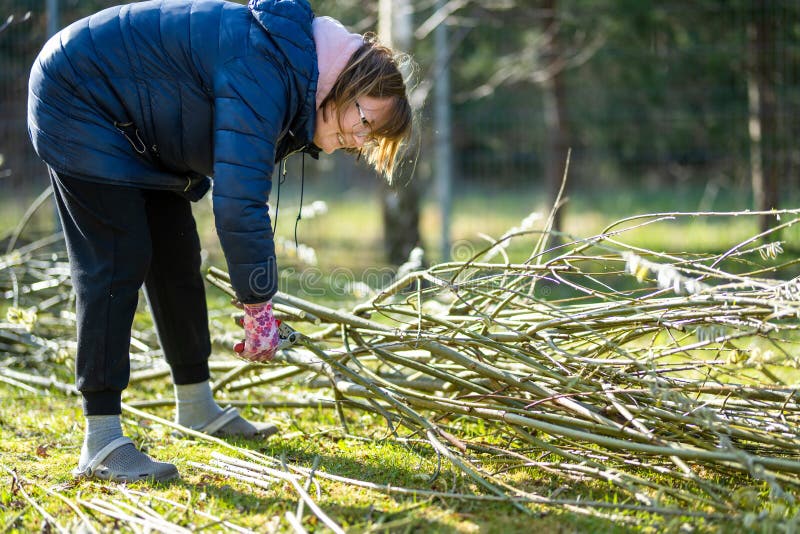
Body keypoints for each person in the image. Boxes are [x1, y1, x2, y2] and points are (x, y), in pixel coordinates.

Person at [27, 0, 413, 482]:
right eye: (365, 121)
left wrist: (258, 301)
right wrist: (259, 307)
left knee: (176, 258)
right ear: (348, 83)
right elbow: (238, 203)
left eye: (371, 138)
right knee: (116, 259)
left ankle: (196, 406)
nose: (360, 140)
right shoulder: (268, 67)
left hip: (137, 130)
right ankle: (101, 442)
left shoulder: (291, 70)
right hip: (80, 96)